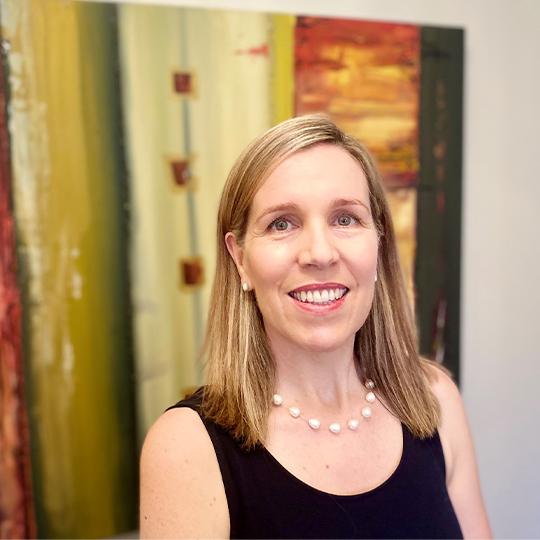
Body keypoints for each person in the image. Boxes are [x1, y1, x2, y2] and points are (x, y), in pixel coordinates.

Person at [140, 115, 492, 539]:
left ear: (378, 242)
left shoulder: (434, 400)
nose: (320, 253)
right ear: (239, 258)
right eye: (281, 223)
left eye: (345, 219)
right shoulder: (186, 447)